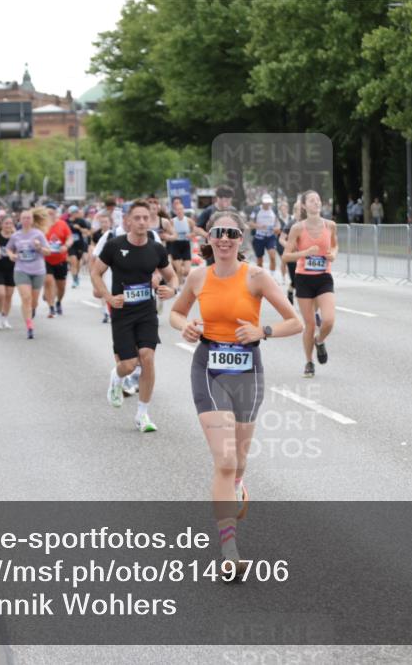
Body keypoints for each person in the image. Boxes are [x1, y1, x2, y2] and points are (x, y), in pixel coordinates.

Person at [169, 210, 302, 575]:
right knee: (224, 460)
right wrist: (187, 326)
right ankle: (229, 550)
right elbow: (176, 313)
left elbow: (296, 321)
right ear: (208, 238)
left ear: (240, 239)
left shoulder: (257, 277)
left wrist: (264, 332)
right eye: (217, 233)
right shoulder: (198, 275)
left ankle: (239, 483)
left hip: (248, 372)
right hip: (208, 368)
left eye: (231, 233)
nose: (224, 239)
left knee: (239, 462)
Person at [91, 200, 178, 432]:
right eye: (136, 218)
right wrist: (108, 297)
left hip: (146, 312)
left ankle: (143, 415)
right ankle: (117, 377)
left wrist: (172, 289)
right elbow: (95, 272)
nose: (141, 222)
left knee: (147, 357)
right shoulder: (115, 245)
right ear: (128, 221)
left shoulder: (156, 248)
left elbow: (173, 276)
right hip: (122, 313)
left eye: (145, 218)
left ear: (151, 221)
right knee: (128, 365)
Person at [282, 191, 338, 378]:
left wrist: (334, 255)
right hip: (304, 279)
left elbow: (335, 245)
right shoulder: (297, 228)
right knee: (310, 324)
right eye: (312, 200)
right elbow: (286, 256)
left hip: (323, 277)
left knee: (328, 320)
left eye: (318, 199)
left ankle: (320, 341)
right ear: (304, 206)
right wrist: (304, 253)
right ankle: (309, 361)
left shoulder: (330, 225)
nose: (317, 202)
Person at [5, 208, 52, 339]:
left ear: (32, 220)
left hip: (38, 271)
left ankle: (32, 310)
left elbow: (48, 251)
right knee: (26, 298)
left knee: (34, 302)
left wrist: (39, 247)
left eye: (28, 218)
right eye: (24, 218)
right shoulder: (16, 235)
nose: (26, 220)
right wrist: (11, 255)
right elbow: (8, 248)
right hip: (21, 270)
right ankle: (29, 325)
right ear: (20, 220)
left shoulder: (38, 234)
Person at [43, 210, 72, 317]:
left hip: (61, 259)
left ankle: (58, 302)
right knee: (48, 281)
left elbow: (70, 238)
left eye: (52, 212)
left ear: (56, 213)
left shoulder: (62, 224)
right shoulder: (43, 225)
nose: (50, 214)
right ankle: (51, 308)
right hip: (46, 259)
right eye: (48, 212)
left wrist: (66, 246)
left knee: (61, 287)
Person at [0, 215, 17, 330]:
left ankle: (5, 318)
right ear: (1, 225)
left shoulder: (16, 238)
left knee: (8, 296)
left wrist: (16, 255)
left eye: (10, 223)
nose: (8, 226)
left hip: (12, 269)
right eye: (6, 223)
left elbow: (22, 249)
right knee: (0, 294)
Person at [250, 194, 281, 279]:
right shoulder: (256, 210)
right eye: (265, 203)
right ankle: (260, 278)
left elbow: (277, 222)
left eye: (269, 203)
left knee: (272, 256)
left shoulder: (274, 209)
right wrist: (259, 226)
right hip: (259, 237)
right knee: (260, 260)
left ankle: (272, 277)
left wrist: (277, 227)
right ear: (262, 202)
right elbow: (251, 224)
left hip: (270, 237)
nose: (267, 205)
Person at [168, 196, 196, 286]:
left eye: (181, 209)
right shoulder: (172, 221)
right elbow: (168, 233)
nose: (179, 211)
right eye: (177, 210)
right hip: (175, 245)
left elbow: (195, 231)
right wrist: (172, 236)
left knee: (186, 271)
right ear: (175, 211)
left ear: (183, 210)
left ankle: (180, 278)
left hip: (185, 244)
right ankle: (178, 288)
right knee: (179, 269)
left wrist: (191, 235)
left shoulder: (189, 221)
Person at [66, 206, 92, 288]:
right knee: (73, 261)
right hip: (70, 245)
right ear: (71, 213)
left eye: (77, 212)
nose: (76, 214)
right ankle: (74, 280)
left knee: (77, 263)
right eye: (74, 212)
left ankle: (76, 276)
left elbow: (88, 232)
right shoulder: (66, 222)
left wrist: (79, 228)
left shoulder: (81, 221)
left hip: (79, 244)